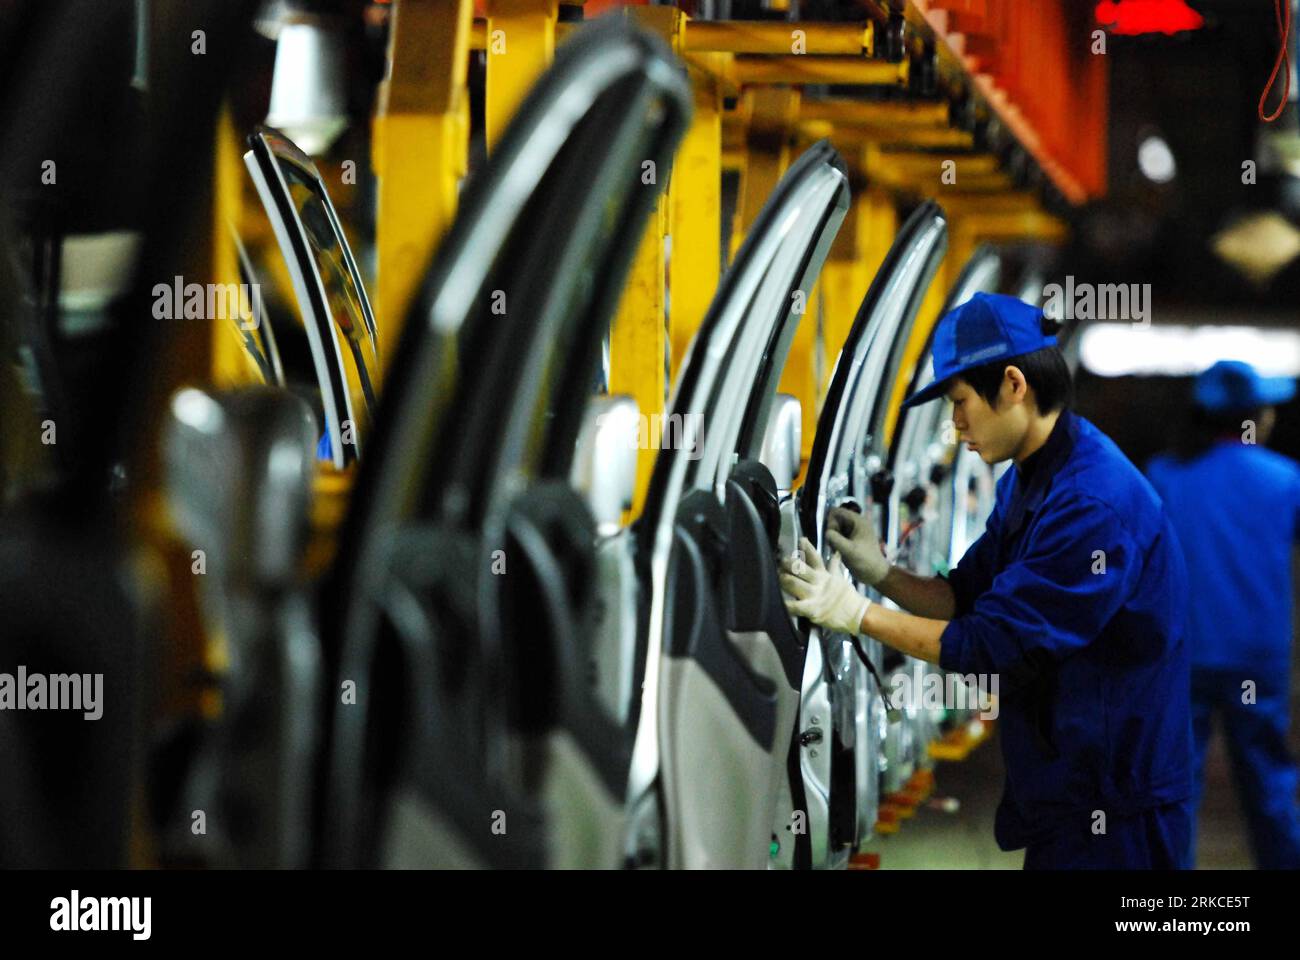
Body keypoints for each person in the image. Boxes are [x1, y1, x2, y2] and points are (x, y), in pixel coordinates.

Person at [779, 292, 1193, 869]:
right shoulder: (1031, 479)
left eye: (961, 401)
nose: (955, 424)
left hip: (1118, 814)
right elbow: (964, 598)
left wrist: (854, 612)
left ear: (1014, 385)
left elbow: (987, 646)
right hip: (1068, 796)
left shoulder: (1091, 505)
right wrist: (879, 572)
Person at [1145, 360, 1300, 869]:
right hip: (1256, 658)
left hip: (1181, 655)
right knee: (1270, 785)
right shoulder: (1285, 479)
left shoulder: (1164, 476)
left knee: (1174, 789)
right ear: (1256, 416)